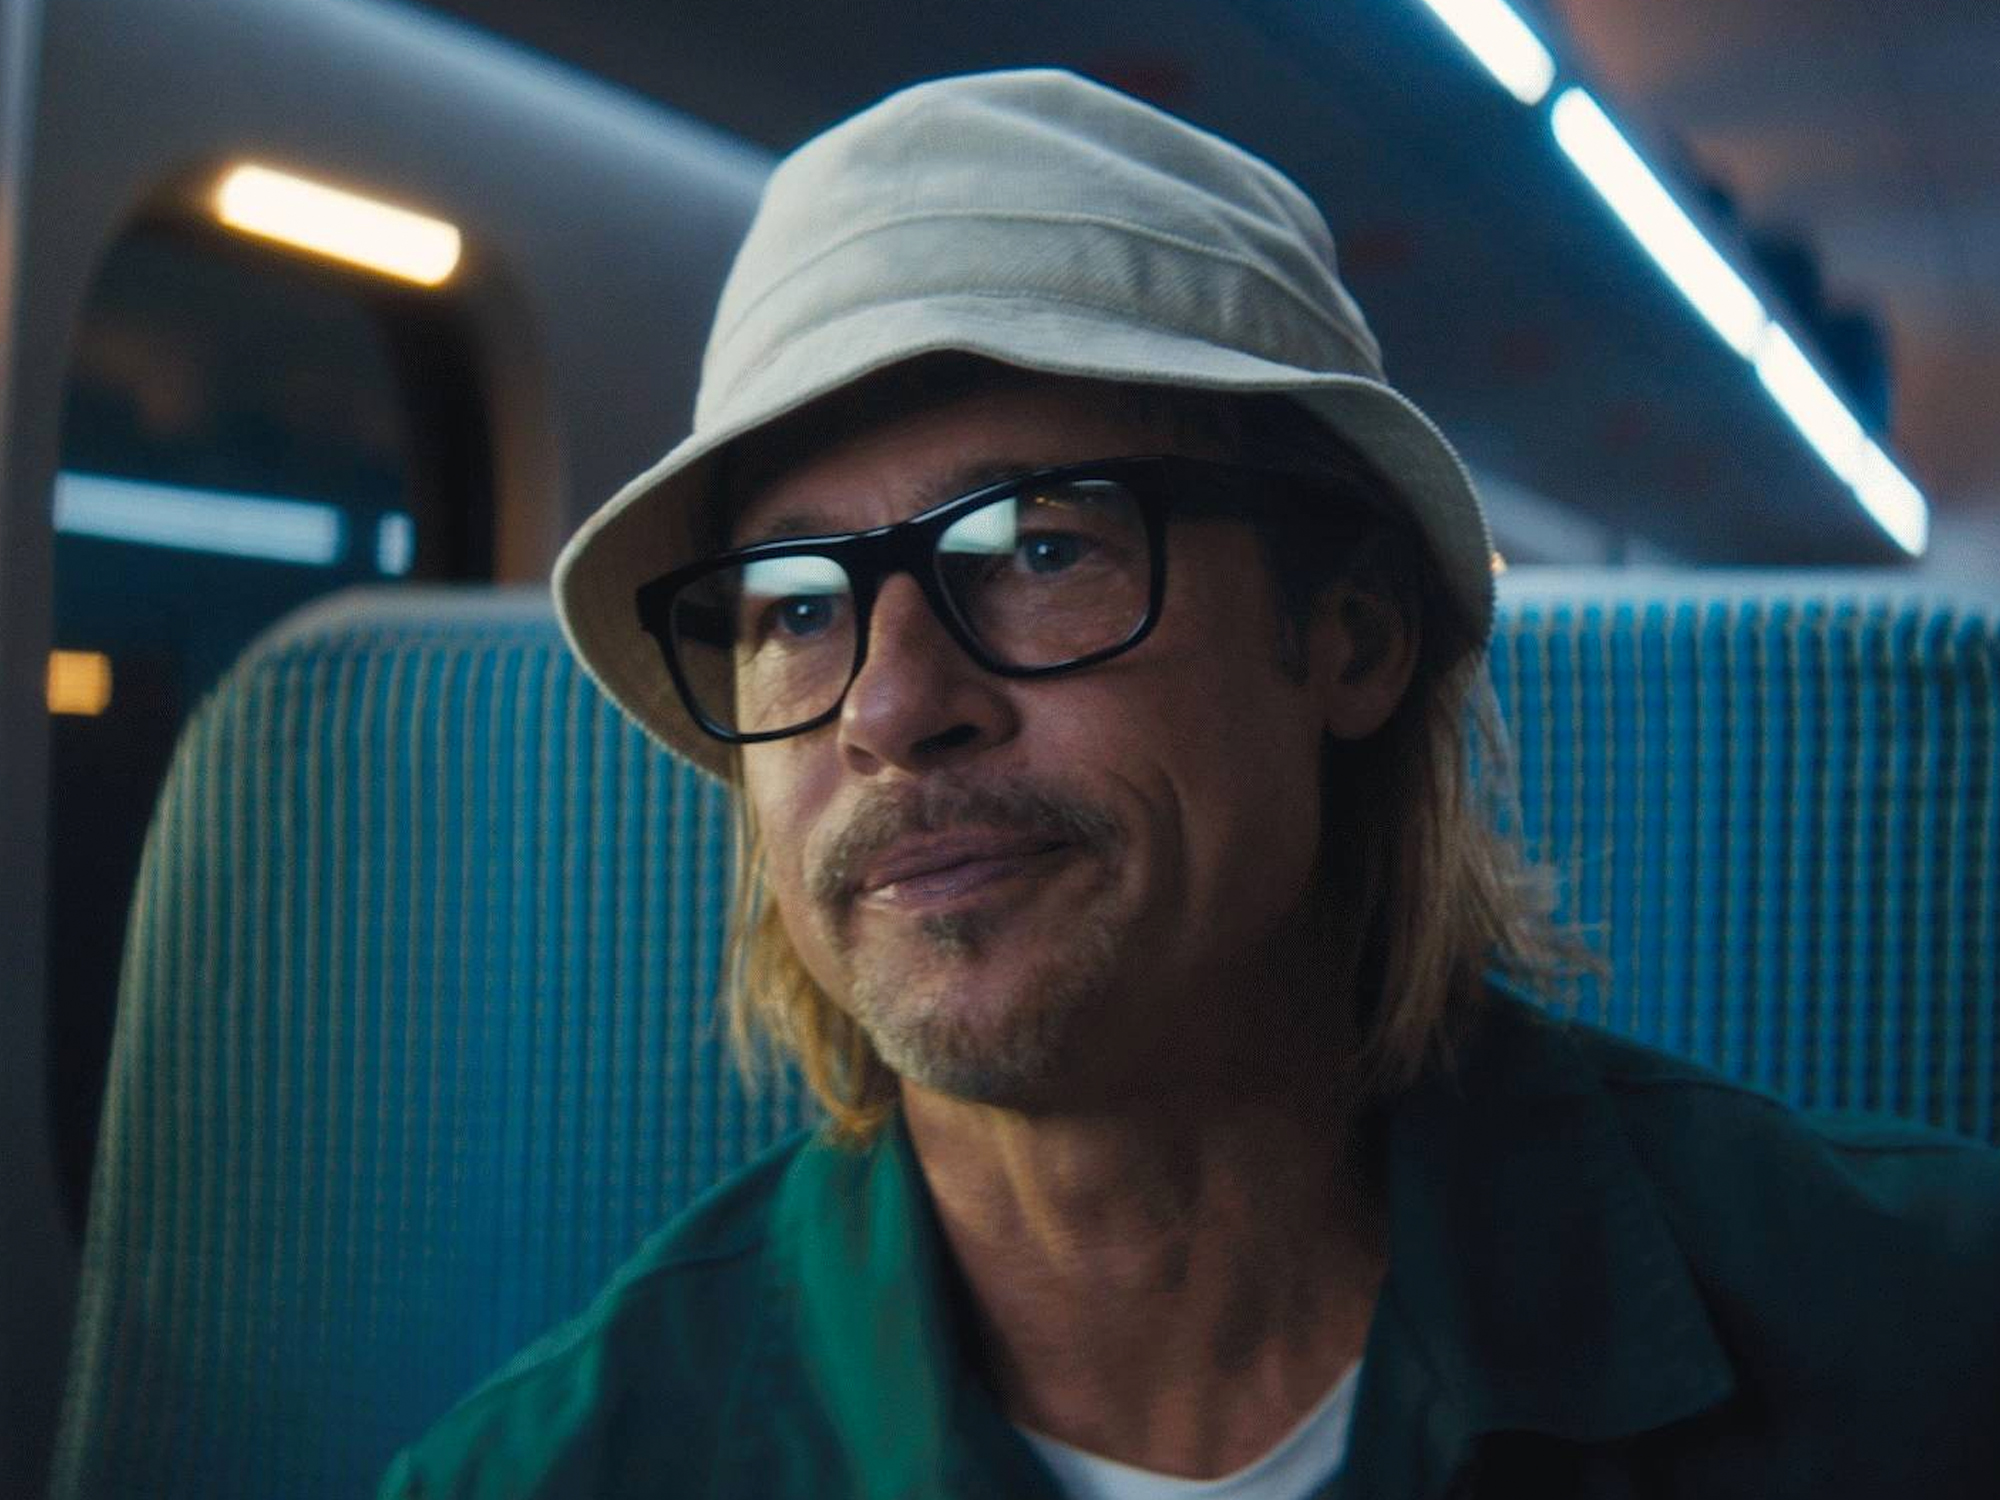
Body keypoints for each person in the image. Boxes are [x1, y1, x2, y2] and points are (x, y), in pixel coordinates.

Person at [381, 69, 2000, 1498]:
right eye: (796, 609)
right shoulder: (550, 1472)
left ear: (1350, 639)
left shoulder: (1921, 1343)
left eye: (1039, 551)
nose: (890, 707)